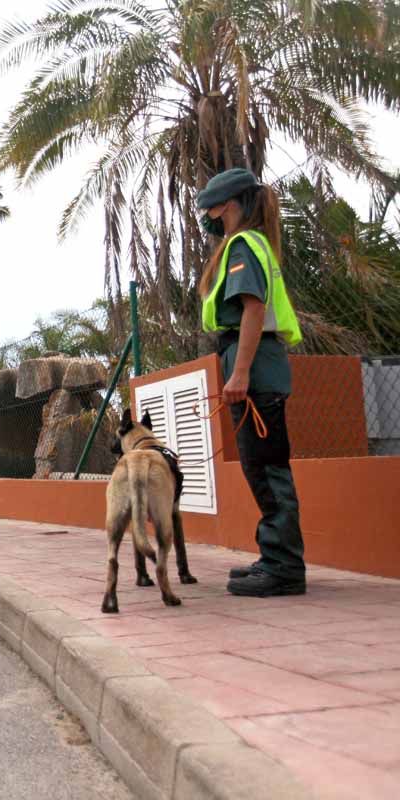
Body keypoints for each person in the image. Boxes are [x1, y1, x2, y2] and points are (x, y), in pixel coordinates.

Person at [196, 167, 306, 597]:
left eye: (209, 205)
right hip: (258, 366)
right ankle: (274, 555)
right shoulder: (252, 243)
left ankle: (284, 567)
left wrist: (240, 372)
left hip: (256, 368)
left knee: (267, 466)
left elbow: (253, 311)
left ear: (227, 204)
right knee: (260, 465)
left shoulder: (243, 244)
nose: (205, 213)